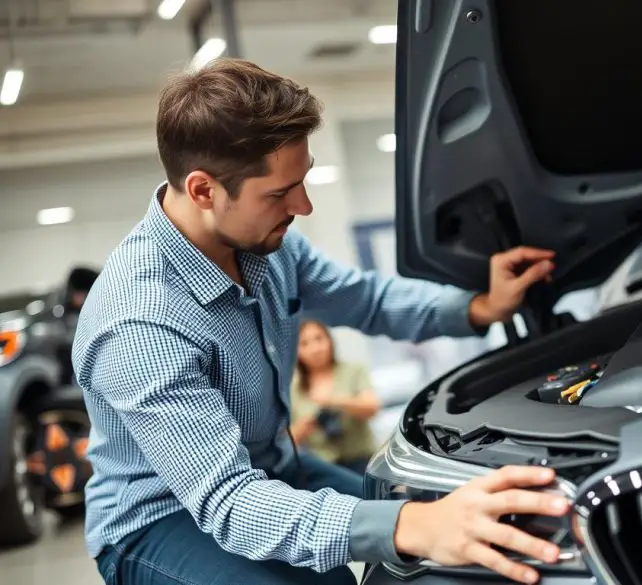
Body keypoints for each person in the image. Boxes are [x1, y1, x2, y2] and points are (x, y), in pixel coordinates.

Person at [71, 58, 566, 585]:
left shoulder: (267, 247)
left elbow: (366, 299)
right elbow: (229, 503)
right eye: (280, 193)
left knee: (446, 508)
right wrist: (410, 525)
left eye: (301, 181)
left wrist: (477, 307)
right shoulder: (138, 325)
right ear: (202, 191)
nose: (303, 206)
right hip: (161, 519)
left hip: (271, 466)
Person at [290, 319, 380, 474]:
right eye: (304, 344)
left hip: (364, 460)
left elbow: (372, 407)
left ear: (329, 340)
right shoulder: (292, 388)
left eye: (319, 339)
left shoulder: (353, 370)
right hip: (325, 469)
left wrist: (335, 401)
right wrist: (302, 428)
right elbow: (287, 442)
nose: (315, 349)